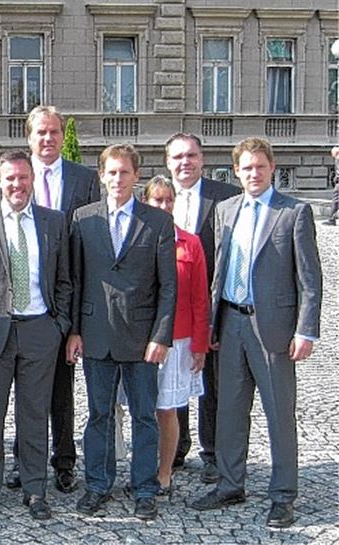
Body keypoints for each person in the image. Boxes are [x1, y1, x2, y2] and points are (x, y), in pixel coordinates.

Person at [190, 138, 322, 529]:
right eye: (246, 168)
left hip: (275, 329)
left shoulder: (294, 212)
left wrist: (306, 330)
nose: (253, 174)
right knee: (229, 409)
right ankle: (231, 483)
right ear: (236, 172)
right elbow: (218, 273)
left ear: (272, 167)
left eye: (260, 167)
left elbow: (310, 279)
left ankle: (283, 495)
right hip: (230, 323)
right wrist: (211, 323)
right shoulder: (226, 210)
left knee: (279, 412)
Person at [0, 150, 71, 521]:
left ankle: (35, 488)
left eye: (23, 177)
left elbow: (65, 280)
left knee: (34, 415)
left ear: (32, 179)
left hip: (40, 330)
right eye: (10, 178)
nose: (17, 184)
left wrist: (58, 327)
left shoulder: (54, 222)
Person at [66, 144, 176, 521]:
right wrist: (75, 331)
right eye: (111, 172)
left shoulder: (157, 222)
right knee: (99, 414)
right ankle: (97, 484)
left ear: (136, 176)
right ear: (101, 176)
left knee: (144, 414)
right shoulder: (83, 219)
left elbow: (168, 286)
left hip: (142, 336)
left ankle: (145, 488)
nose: (117, 179)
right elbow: (76, 279)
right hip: (96, 333)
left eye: (124, 172)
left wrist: (161, 335)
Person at [5, 105, 100, 494]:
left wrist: (72, 322)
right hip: (21, 308)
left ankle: (64, 461)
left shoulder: (84, 179)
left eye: (54, 132)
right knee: (19, 392)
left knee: (61, 391)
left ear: (63, 137)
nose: (47, 139)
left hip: (63, 302)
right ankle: (22, 461)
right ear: (28, 137)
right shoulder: (16, 176)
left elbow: (88, 250)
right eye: (40, 132)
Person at [163, 133, 240, 481]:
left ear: (202, 159)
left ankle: (212, 453)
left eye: (191, 155)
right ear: (168, 162)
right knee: (172, 379)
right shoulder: (157, 200)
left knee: (212, 383)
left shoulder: (225, 198)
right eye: (178, 157)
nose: (185, 162)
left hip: (212, 306)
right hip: (172, 310)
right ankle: (176, 447)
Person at [138, 175, 210, 494]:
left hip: (177, 339)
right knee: (137, 408)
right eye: (157, 200)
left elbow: (199, 298)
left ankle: (164, 472)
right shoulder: (135, 240)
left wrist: (200, 344)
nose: (164, 205)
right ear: (146, 202)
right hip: (138, 338)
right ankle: (136, 467)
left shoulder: (190, 243)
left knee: (166, 408)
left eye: (169, 199)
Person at [327, 146, 339, 226]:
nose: (332, 156)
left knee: (336, 199)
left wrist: (336, 178)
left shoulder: (338, 159)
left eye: (332, 154)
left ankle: (332, 219)